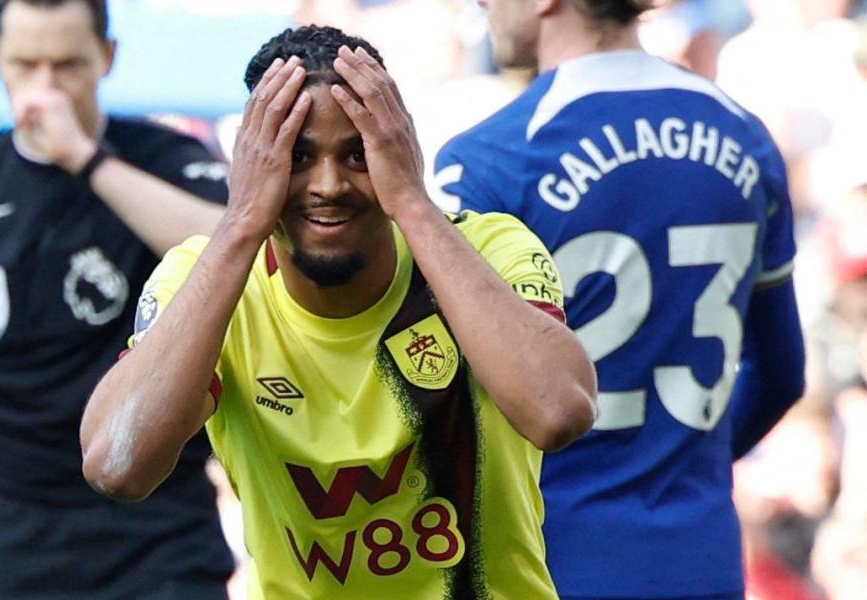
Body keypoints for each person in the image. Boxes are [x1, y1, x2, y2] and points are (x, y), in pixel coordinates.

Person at [80, 25, 597, 599]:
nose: (328, 184)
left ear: (397, 148)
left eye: (357, 154)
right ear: (253, 161)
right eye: (296, 156)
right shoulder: (206, 278)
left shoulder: (490, 249)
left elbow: (559, 412)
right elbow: (116, 466)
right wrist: (242, 221)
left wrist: (409, 201)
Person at [434, 1, 806, 599]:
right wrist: (677, 461)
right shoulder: (745, 135)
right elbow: (782, 373)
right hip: (701, 558)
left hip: (548, 564)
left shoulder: (490, 161)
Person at [0, 0, 235, 597]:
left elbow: (235, 249)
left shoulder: (163, 157)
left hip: (157, 531)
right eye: (26, 65)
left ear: (107, 58)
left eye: (67, 66)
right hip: (13, 525)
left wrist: (84, 160)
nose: (45, 88)